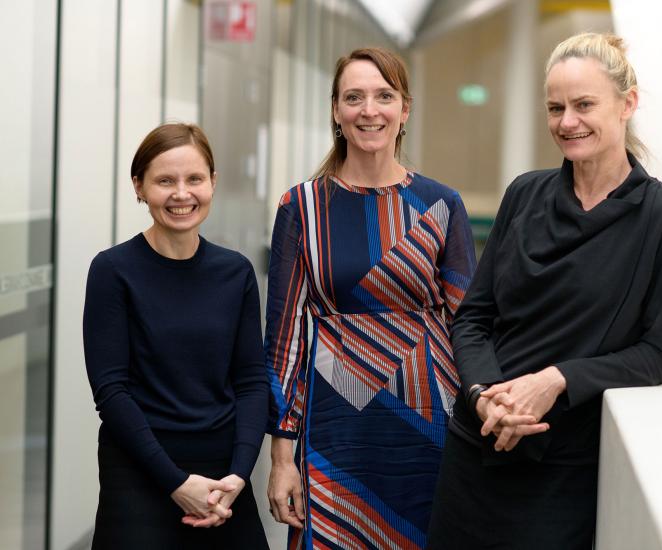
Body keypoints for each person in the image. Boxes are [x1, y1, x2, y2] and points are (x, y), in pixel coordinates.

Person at [427, 32, 662, 549]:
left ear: (628, 103)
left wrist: (555, 380)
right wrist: (484, 394)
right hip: (477, 443)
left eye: (584, 105)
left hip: (562, 469)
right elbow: (473, 318)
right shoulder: (525, 193)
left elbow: (656, 354)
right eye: (555, 108)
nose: (567, 122)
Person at [265, 47, 476, 549]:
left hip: (429, 417)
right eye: (354, 97)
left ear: (404, 110)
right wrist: (281, 459)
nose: (369, 110)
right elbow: (284, 339)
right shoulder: (302, 206)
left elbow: (469, 323)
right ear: (336, 111)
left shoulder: (442, 204)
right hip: (336, 424)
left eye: (384, 96)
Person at [83, 123, 269, 549]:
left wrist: (239, 475)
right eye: (165, 181)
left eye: (194, 179)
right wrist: (177, 482)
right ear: (139, 187)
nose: (182, 194)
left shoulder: (235, 272)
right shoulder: (112, 271)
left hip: (224, 473)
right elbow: (111, 390)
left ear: (213, 183)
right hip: (140, 467)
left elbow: (251, 381)